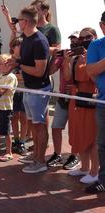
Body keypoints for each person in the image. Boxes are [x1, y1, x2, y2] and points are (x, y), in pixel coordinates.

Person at [10, 6, 51, 174]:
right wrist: (12, 62)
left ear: (25, 22)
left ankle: (41, 161)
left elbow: (39, 71)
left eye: (18, 20)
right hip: (29, 88)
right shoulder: (26, 38)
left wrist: (18, 64)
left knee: (39, 126)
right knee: (34, 125)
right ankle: (35, 155)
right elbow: (22, 60)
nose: (16, 23)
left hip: (39, 90)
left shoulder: (39, 41)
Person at [65, 27, 99, 184]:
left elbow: (95, 80)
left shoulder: (97, 54)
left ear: (95, 37)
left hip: (90, 99)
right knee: (78, 133)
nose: (84, 40)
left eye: (88, 36)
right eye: (82, 37)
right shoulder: (77, 57)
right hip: (76, 99)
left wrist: (88, 63)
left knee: (91, 137)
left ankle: (95, 171)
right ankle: (84, 167)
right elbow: (68, 78)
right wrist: (67, 61)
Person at [46, 32, 81, 170]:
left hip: (76, 98)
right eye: (71, 40)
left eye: (76, 40)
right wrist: (55, 56)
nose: (73, 43)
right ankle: (57, 154)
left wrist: (68, 60)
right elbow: (50, 71)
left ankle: (74, 156)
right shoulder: (66, 55)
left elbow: (69, 75)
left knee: (74, 130)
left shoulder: (82, 57)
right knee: (56, 127)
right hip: (63, 97)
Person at [85, 11, 105, 193]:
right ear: (102, 26)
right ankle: (104, 180)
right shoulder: (96, 46)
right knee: (103, 144)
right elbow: (91, 71)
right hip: (103, 103)